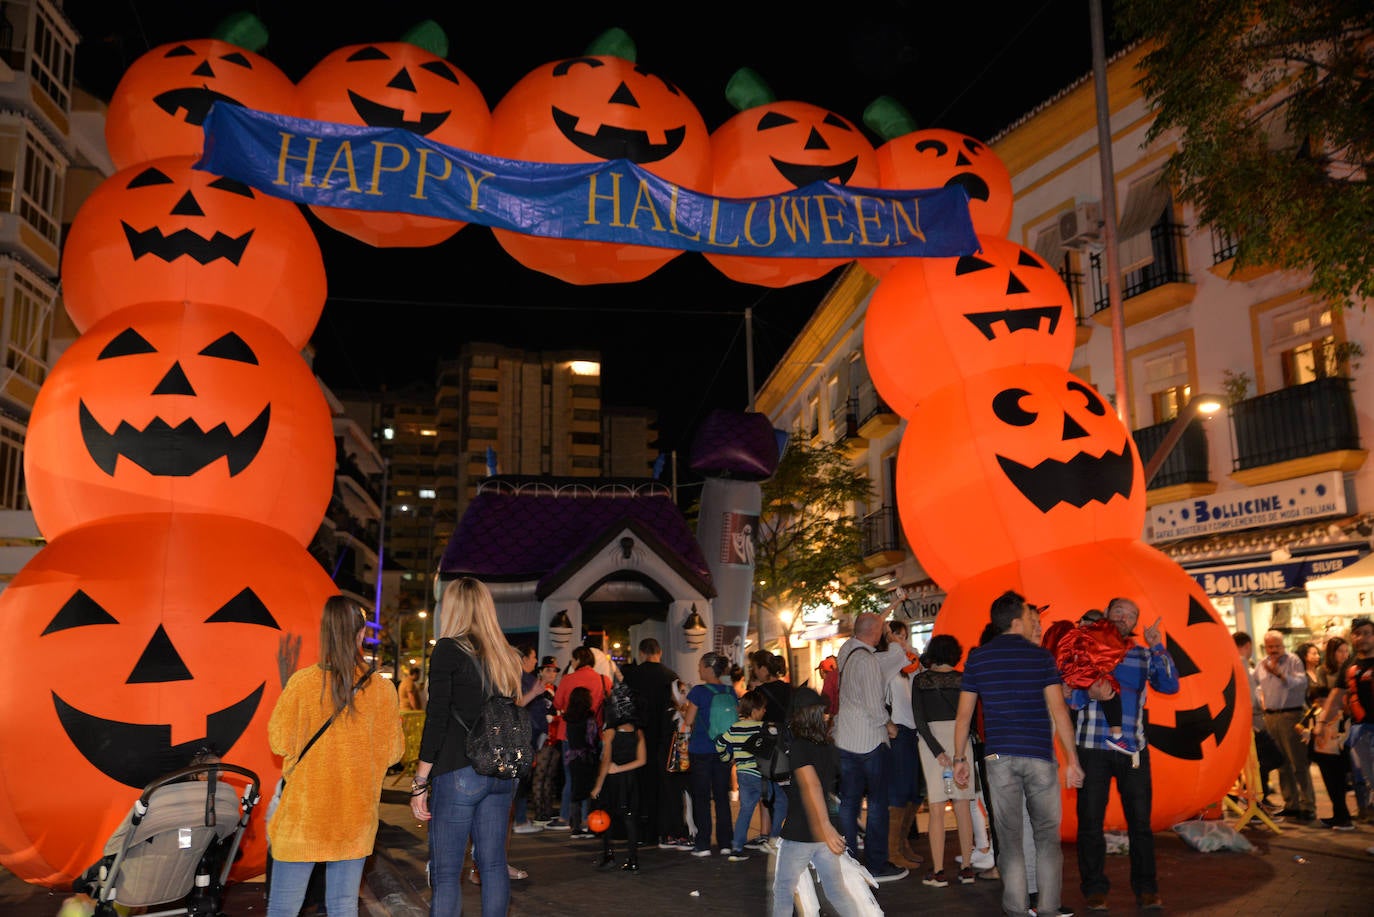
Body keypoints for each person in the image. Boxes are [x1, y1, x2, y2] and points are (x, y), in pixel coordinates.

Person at [267, 596, 403, 917]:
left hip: (303, 818)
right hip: (353, 818)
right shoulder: (382, 690)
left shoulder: (302, 684)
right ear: (360, 634)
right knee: (343, 906)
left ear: (325, 633)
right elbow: (394, 751)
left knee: (284, 908)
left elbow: (279, 741)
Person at [952, 590, 1084, 917]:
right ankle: (1049, 908)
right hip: (1039, 755)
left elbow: (964, 715)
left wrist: (959, 759)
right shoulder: (1040, 657)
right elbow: (1059, 711)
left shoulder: (978, 658)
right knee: (1046, 838)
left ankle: (1016, 909)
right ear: (1015, 621)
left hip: (998, 759)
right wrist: (1073, 761)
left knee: (1010, 840)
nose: (1033, 623)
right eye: (1028, 617)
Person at [410, 577, 524, 917]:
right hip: (502, 773)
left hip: (459, 771)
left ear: (454, 608)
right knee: (493, 866)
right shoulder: (506, 655)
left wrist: (420, 782)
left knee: (447, 873)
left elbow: (437, 718)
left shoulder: (448, 649)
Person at [1068, 597, 1179, 912]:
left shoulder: (1143, 655)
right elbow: (1070, 697)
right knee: (1089, 822)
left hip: (1132, 750)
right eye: (1118, 611)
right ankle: (1094, 888)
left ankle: (1147, 889)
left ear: (1134, 625)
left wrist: (1157, 646)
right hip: (1091, 747)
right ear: (1106, 614)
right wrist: (1087, 692)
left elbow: (1170, 686)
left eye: (1131, 615)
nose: (1124, 617)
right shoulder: (1085, 650)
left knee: (1140, 824)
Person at [770, 687, 875, 917]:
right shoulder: (828, 746)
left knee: (783, 889)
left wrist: (824, 827)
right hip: (825, 830)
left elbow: (812, 786)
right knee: (836, 891)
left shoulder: (799, 746)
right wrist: (827, 827)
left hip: (802, 830)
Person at [832, 611, 908, 883]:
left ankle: (848, 859)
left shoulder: (846, 651)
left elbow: (868, 624)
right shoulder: (868, 662)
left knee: (849, 803)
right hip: (870, 741)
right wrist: (889, 725)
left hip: (845, 740)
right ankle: (876, 863)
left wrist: (888, 610)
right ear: (876, 632)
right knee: (877, 803)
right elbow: (873, 704)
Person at [911, 633, 976, 888]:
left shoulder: (921, 681)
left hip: (931, 743)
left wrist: (937, 751)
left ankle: (938, 871)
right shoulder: (964, 680)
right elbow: (969, 716)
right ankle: (967, 868)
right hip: (962, 742)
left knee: (937, 807)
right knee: (963, 805)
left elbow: (919, 719)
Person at [1043, 609, 1134, 753]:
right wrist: (1061, 685)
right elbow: (1056, 661)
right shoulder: (1070, 636)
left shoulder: (1090, 643)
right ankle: (1116, 735)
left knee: (1110, 692)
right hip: (1070, 683)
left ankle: (1116, 735)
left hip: (1078, 685)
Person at [621, 637, 680, 847]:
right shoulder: (671, 677)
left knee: (638, 785)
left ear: (641, 653)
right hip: (664, 739)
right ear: (660, 652)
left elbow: (623, 707)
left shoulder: (631, 676)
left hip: (638, 737)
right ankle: (661, 830)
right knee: (662, 786)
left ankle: (637, 830)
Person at [1253, 630, 1317, 821]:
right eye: (1270, 646)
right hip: (1270, 717)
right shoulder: (1261, 665)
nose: (1274, 650)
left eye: (1277, 646)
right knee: (1281, 763)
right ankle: (1291, 804)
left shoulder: (1293, 660)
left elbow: (1301, 682)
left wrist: (1280, 675)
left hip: (1291, 715)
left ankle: (1308, 806)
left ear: (1283, 645)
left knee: (1299, 762)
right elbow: (1255, 685)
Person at [1319, 617, 1374, 824]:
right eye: (1357, 634)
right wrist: (1322, 724)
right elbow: (1335, 696)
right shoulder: (1350, 664)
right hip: (1361, 732)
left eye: (1367, 633)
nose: (1361, 638)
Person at [683, 651, 737, 856]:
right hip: (724, 750)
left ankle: (703, 843)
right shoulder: (730, 692)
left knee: (702, 797)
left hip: (701, 750)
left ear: (707, 668)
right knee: (722, 797)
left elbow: (688, 721)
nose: (698, 670)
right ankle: (726, 843)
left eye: (700, 666)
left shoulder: (698, 691)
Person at [553, 646, 611, 831]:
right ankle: (588, 818)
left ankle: (565, 817)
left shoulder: (568, 679)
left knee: (571, 777)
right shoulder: (604, 680)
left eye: (572, 659)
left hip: (568, 732)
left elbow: (558, 703)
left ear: (578, 659)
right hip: (595, 734)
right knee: (591, 774)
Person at [590, 684, 647, 873]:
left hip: (613, 781)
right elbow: (642, 761)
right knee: (630, 819)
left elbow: (606, 760)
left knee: (606, 817)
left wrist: (598, 785)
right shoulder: (638, 732)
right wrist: (622, 768)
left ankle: (609, 855)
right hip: (630, 780)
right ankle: (633, 859)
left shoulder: (610, 732)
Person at [716, 688, 776, 860]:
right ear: (755, 710)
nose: (765, 711)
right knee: (778, 803)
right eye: (763, 708)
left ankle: (737, 848)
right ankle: (775, 841)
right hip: (760, 774)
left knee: (746, 810)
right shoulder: (762, 728)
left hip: (743, 774)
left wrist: (727, 757)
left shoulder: (735, 728)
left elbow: (720, 744)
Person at [885, 619, 925, 872]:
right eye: (897, 635)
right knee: (900, 793)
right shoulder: (888, 662)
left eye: (904, 635)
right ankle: (893, 850)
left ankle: (902, 844)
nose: (903, 639)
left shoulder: (909, 663)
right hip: (898, 733)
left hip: (914, 732)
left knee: (915, 792)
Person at [1304, 635, 1354, 829]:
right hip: (1326, 725)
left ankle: (1344, 815)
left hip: (1344, 726)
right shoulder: (1324, 671)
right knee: (1330, 771)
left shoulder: (1352, 670)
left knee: (1339, 772)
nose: (1344, 654)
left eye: (1345, 650)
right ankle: (1340, 813)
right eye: (1339, 651)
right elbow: (1318, 696)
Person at [1235, 631, 1283, 810]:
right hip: (1252, 723)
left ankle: (1256, 800)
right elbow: (1249, 698)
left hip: (1248, 723)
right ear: (1248, 645)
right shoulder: (1240, 662)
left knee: (1258, 762)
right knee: (1274, 758)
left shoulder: (1233, 662)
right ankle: (1253, 798)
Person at [513, 646, 551, 834]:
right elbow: (516, 704)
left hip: (525, 737)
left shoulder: (521, 679)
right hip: (523, 738)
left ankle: (518, 819)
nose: (536, 661)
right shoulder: (521, 680)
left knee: (520, 781)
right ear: (523, 659)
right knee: (520, 780)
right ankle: (519, 820)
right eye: (533, 657)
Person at [562, 686, 601, 839]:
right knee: (590, 790)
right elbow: (591, 740)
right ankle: (591, 825)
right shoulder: (589, 718)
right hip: (587, 757)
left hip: (572, 756)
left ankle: (575, 827)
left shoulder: (569, 718)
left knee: (575, 791)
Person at [528, 656, 562, 826]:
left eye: (554, 670)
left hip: (555, 738)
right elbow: (535, 715)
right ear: (540, 671)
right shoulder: (536, 689)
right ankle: (539, 813)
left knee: (549, 776)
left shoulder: (556, 689)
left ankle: (546, 811)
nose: (552, 673)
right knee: (540, 776)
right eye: (548, 669)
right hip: (542, 738)